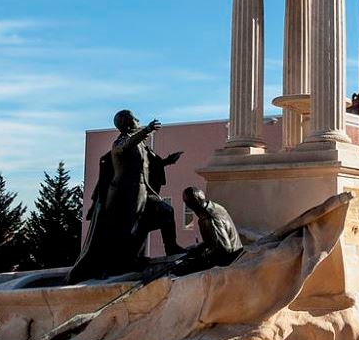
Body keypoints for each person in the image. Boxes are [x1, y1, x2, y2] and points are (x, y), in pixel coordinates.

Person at [68, 109, 182, 283]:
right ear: (128, 124)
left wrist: (167, 161)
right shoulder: (120, 142)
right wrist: (147, 130)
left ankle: (171, 248)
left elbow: (150, 163)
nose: (138, 120)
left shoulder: (142, 145)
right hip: (124, 196)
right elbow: (125, 146)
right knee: (133, 228)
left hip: (143, 192)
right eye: (135, 118)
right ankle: (128, 261)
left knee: (165, 211)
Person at [173, 187, 243, 276]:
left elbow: (223, 248)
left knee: (178, 271)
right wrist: (197, 248)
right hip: (235, 253)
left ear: (191, 205)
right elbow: (214, 241)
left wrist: (201, 255)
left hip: (228, 261)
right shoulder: (215, 207)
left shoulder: (208, 218)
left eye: (187, 203)